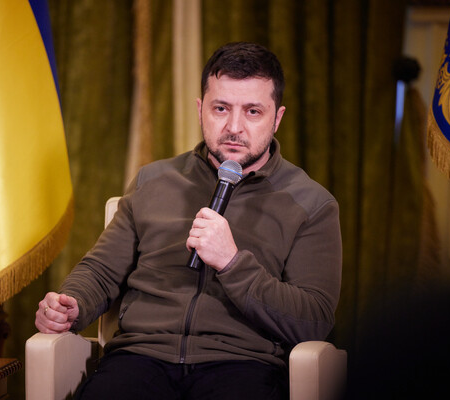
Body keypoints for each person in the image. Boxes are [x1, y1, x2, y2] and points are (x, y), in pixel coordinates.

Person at [35, 42, 342, 400]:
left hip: (243, 365)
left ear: (277, 118)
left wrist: (232, 263)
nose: (234, 127)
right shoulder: (154, 180)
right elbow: (101, 271)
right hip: (140, 358)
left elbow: (313, 319)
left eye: (253, 111)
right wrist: (70, 304)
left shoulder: (311, 203)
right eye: (221, 108)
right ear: (200, 110)